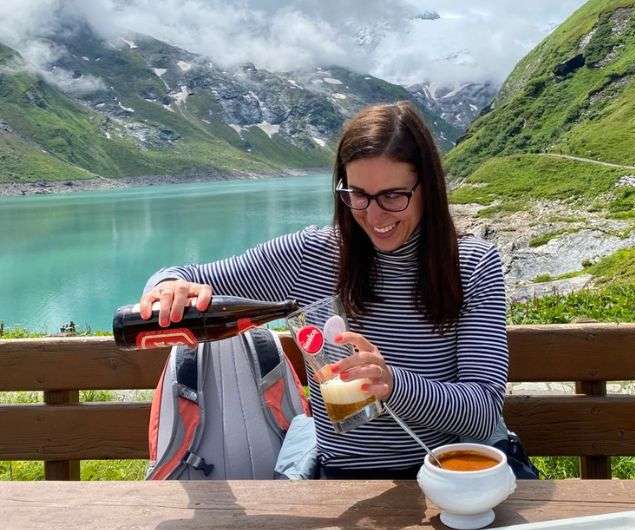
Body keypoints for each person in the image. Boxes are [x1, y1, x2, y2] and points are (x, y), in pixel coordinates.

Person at [139, 101, 509, 479]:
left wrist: (393, 384)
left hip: (453, 476)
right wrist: (167, 288)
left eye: (393, 196)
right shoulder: (311, 256)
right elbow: (181, 274)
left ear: (428, 187)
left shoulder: (472, 265)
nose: (374, 216)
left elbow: (483, 411)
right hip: (341, 483)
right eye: (357, 195)